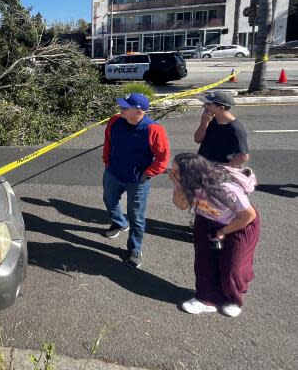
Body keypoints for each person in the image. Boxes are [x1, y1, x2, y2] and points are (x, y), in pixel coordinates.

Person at [167, 153, 260, 317]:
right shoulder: (188, 185)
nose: (171, 174)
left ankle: (232, 299)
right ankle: (205, 299)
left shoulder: (225, 188)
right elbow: (181, 205)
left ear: (191, 174)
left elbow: (248, 215)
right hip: (207, 220)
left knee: (233, 265)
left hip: (239, 224)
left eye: (176, 172)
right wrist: (179, 187)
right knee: (204, 262)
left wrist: (223, 232)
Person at [102, 92, 170, 268]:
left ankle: (135, 248)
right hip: (113, 174)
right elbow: (108, 142)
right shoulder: (115, 121)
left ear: (139, 111)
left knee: (137, 216)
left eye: (126, 107)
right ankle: (119, 223)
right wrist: (107, 162)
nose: (121, 109)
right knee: (109, 201)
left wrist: (148, 174)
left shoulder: (154, 130)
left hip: (137, 181)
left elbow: (163, 158)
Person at [194, 90, 249, 167]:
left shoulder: (235, 128)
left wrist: (221, 167)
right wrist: (204, 122)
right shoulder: (211, 120)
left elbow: (243, 157)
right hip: (204, 168)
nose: (204, 106)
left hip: (219, 174)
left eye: (208, 104)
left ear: (221, 108)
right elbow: (197, 139)